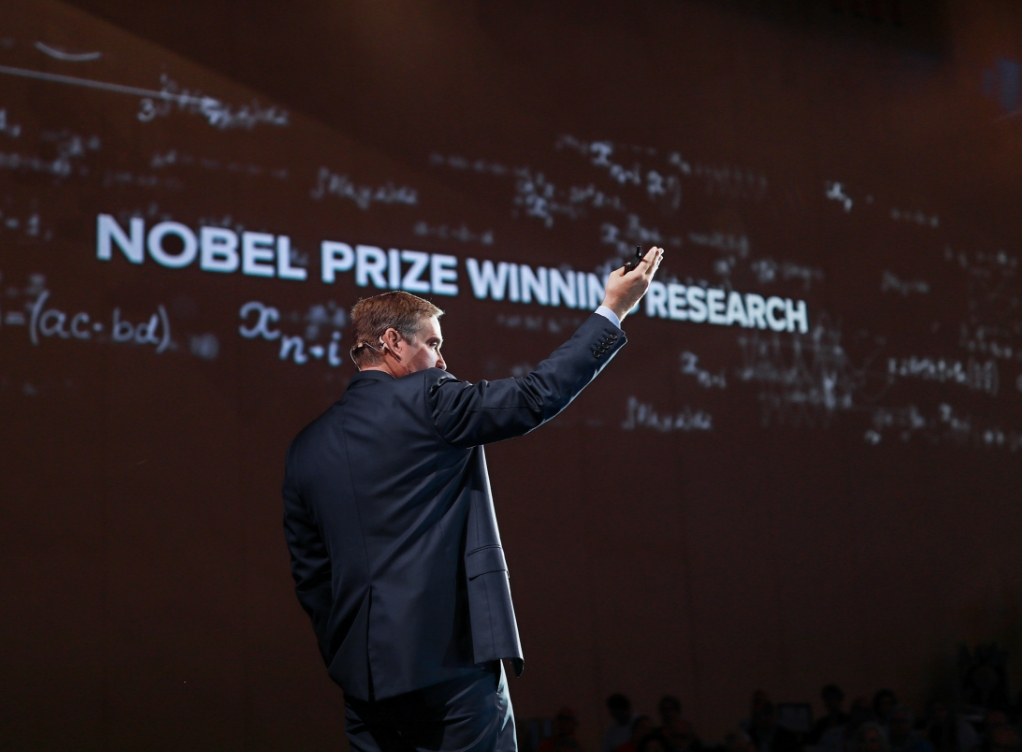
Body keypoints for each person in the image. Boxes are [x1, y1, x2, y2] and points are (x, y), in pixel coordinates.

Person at [282, 248, 664, 752]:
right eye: (433, 344)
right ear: (392, 342)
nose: (442, 361)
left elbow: (312, 576)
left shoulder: (305, 448)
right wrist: (614, 308)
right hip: (451, 665)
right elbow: (534, 396)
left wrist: (350, 654)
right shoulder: (429, 398)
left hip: (364, 682)